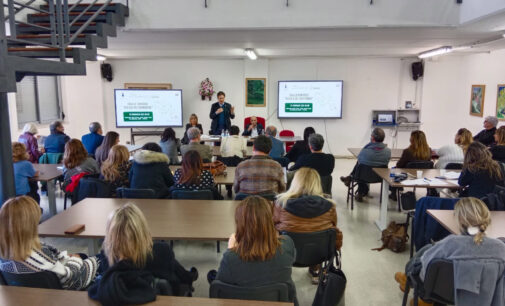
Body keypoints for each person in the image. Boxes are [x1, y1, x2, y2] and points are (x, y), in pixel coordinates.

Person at [395, 197, 505, 306]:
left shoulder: (451, 243)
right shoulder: (500, 248)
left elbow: (425, 273)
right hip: (483, 298)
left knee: (424, 256)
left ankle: (416, 289)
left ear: (459, 220)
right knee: (430, 249)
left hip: (441, 292)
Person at [88, 203, 198, 304]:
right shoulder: (161, 252)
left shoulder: (106, 258)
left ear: (110, 236)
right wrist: (189, 277)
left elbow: (98, 260)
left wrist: (82, 256)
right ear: (142, 231)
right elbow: (175, 278)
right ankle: (191, 275)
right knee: (177, 270)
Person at [0, 196, 99, 290]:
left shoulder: (5, 254)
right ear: (28, 226)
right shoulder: (37, 255)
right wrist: (75, 260)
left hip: (30, 295)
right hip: (63, 293)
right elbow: (69, 279)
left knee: (83, 255)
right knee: (101, 259)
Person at [213, 196, 297, 304]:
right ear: (270, 221)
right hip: (279, 301)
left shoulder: (230, 258)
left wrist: (231, 249)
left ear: (240, 225)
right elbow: (292, 258)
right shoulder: (286, 245)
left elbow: (221, 287)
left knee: (212, 276)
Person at [274, 168, 343, 284]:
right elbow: (333, 227)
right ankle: (315, 270)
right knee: (319, 233)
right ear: (317, 184)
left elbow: (273, 224)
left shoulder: (280, 203)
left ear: (295, 182)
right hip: (320, 254)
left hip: (287, 254)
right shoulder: (330, 205)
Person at [340, 128, 391, 201]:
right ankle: (350, 178)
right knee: (362, 166)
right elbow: (386, 162)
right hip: (380, 177)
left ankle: (353, 182)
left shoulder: (365, 151)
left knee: (360, 166)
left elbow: (360, 161)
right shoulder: (388, 151)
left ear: (372, 138)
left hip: (363, 176)